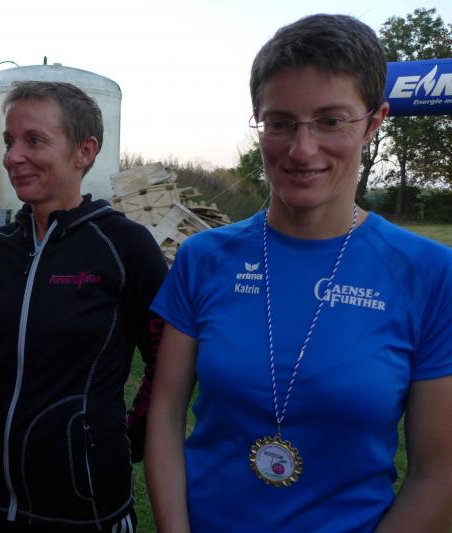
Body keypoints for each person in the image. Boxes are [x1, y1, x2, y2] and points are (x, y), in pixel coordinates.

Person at [146, 13, 452, 532]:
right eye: (281, 122)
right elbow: (166, 418)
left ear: (374, 122)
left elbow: (438, 474)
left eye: (331, 121)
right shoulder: (203, 258)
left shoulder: (429, 274)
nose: (301, 149)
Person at [0, 81, 168, 531]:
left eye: (34, 141)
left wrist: (127, 436)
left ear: (84, 152)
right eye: (9, 141)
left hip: (86, 504)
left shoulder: (124, 247)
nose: (12, 157)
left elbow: (167, 361)